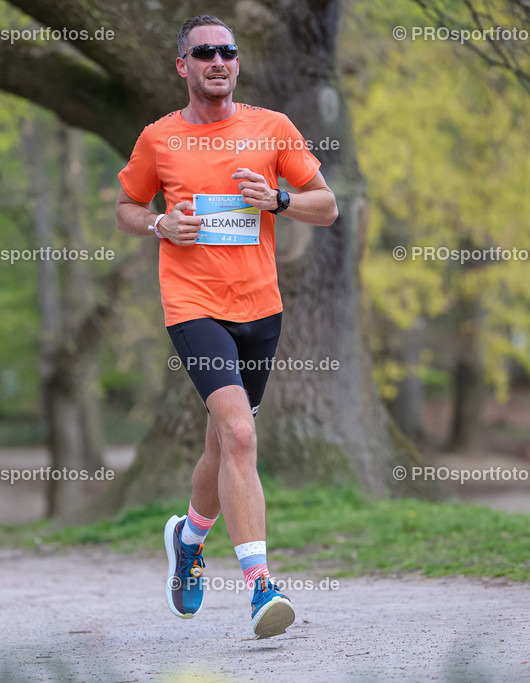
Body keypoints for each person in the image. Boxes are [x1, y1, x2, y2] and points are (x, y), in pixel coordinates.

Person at [114, 14, 338, 639]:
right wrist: (160, 225)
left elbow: (328, 204)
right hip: (192, 305)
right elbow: (127, 207)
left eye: (228, 52)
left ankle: (188, 539)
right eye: (204, 52)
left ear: (237, 63)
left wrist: (281, 200)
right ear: (183, 66)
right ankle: (260, 586)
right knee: (240, 434)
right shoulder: (158, 138)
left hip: (260, 308)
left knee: (223, 444)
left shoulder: (273, 129)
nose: (218, 61)